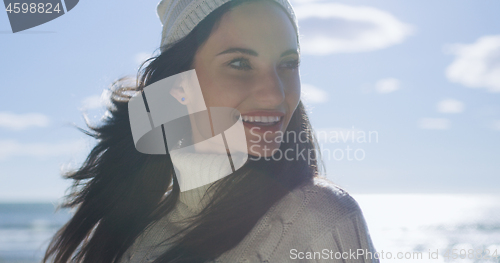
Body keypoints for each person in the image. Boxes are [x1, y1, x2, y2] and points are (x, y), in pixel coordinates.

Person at [43, 0, 380, 262]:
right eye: (239, 63)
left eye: (288, 64)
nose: (275, 94)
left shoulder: (320, 219)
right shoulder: (136, 233)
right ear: (178, 84)